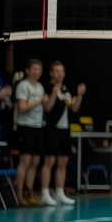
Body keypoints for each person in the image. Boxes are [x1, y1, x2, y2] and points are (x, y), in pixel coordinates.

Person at [40, 61, 83, 207]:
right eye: (56, 71)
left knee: (63, 162)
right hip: (52, 128)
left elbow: (74, 108)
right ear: (51, 73)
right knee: (49, 161)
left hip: (65, 128)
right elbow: (48, 108)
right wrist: (53, 93)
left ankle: (59, 192)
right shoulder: (46, 87)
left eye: (62, 71)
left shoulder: (65, 89)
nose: (60, 74)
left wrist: (80, 95)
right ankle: (45, 192)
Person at [14, 59, 48, 206]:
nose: (36, 72)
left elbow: (44, 106)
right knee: (25, 161)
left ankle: (30, 192)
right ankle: (19, 195)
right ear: (28, 70)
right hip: (25, 126)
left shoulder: (40, 86)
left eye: (39, 69)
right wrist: (39, 101)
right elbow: (22, 107)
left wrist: (45, 102)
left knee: (35, 161)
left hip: (38, 126)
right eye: (34, 69)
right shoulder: (23, 85)